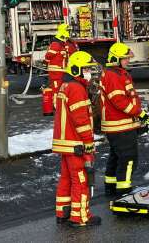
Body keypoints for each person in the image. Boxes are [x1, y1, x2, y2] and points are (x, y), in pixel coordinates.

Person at [52, 51, 101, 227]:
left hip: (65, 143)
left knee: (66, 178)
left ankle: (62, 212)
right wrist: (88, 143)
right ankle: (80, 217)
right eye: (86, 68)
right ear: (76, 69)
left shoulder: (65, 86)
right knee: (81, 180)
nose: (89, 72)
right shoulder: (76, 88)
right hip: (76, 144)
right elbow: (81, 121)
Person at [100, 43, 149, 197]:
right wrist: (140, 114)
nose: (127, 61)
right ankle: (123, 189)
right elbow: (120, 101)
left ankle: (111, 187)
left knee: (116, 157)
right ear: (116, 59)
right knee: (128, 157)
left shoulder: (116, 73)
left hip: (118, 125)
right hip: (120, 126)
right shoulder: (113, 75)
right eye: (125, 59)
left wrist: (139, 116)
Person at [43, 23, 79, 115]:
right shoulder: (56, 44)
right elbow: (48, 56)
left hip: (61, 71)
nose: (69, 33)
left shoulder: (62, 44)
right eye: (68, 30)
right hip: (55, 72)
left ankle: (59, 107)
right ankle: (57, 108)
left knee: (60, 89)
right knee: (56, 90)